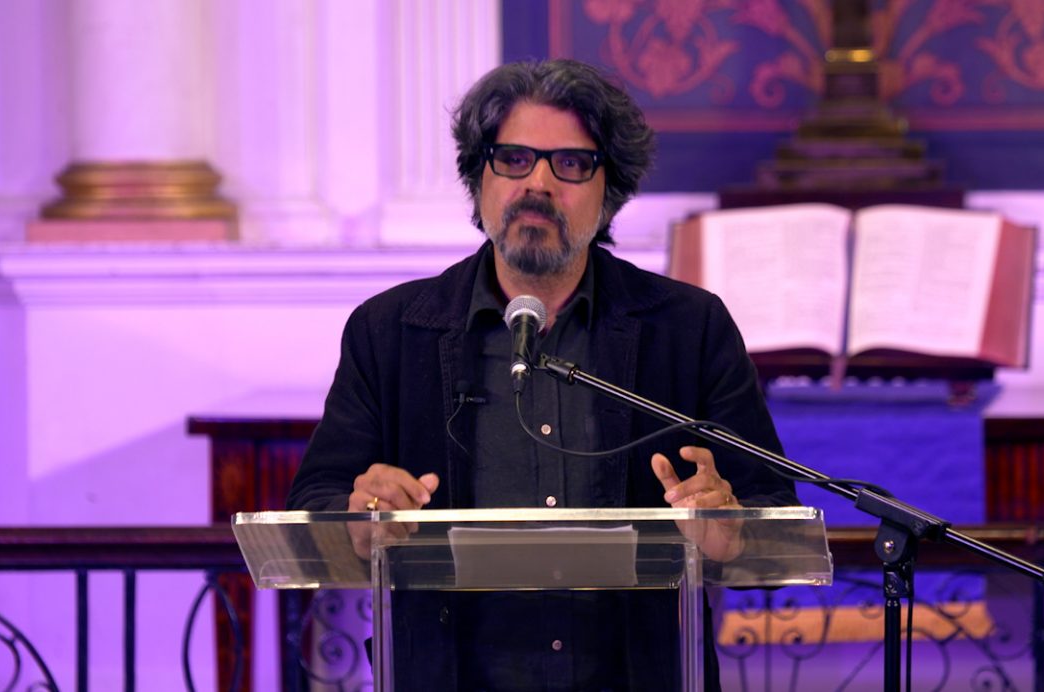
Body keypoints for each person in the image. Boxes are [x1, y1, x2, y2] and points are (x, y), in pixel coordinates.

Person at [287, 58, 796, 691]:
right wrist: (362, 519)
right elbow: (313, 508)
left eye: (572, 163)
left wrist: (731, 527)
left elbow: (777, 523)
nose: (539, 183)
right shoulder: (390, 331)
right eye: (514, 159)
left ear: (610, 189)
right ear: (479, 179)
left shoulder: (687, 328)